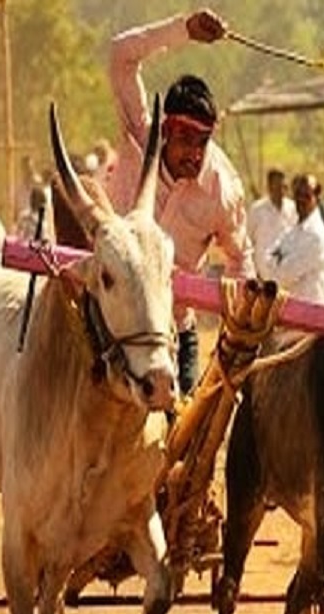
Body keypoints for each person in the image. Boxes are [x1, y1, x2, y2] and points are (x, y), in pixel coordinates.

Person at [107, 7, 254, 396]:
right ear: (165, 131)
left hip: (172, 331)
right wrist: (183, 30)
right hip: (107, 321)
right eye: (185, 140)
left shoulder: (223, 188)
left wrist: (234, 337)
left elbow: (241, 260)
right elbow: (121, 54)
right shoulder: (140, 133)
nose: (195, 153)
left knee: (181, 434)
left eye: (203, 142)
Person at [262, 173, 324, 305]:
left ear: (316, 198)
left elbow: (284, 275)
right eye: (298, 194)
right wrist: (278, 263)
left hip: (309, 315)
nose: (301, 199)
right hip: (289, 313)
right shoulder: (293, 231)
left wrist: (279, 260)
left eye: (306, 195)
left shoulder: (316, 235)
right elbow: (267, 260)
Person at [247, 168, 296, 268]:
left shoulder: (293, 209)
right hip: (262, 272)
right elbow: (247, 242)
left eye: (283, 186)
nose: (281, 191)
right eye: (277, 186)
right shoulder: (257, 210)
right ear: (269, 187)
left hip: (287, 272)